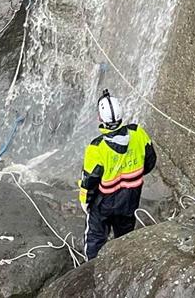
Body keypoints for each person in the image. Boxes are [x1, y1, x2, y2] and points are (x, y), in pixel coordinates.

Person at [78, 89, 156, 261]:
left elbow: (89, 181)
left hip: (104, 203)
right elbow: (150, 161)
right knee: (124, 239)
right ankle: (121, 269)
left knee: (95, 240)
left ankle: (91, 273)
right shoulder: (138, 133)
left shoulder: (96, 148)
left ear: (100, 118)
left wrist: (85, 202)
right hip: (130, 198)